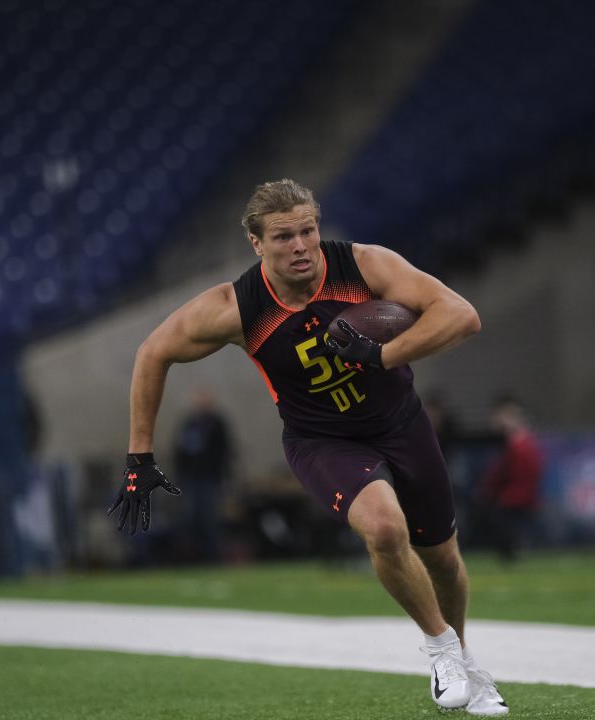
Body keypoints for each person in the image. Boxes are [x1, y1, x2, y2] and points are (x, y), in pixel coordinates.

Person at [106, 179, 507, 715]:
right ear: (256, 243)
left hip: (400, 422)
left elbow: (461, 315)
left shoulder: (364, 266)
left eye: (307, 231)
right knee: (384, 527)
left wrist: (383, 355)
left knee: (444, 559)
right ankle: (439, 648)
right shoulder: (238, 306)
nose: (299, 246)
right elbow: (152, 353)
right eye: (283, 237)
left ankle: (461, 658)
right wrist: (139, 457)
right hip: (323, 440)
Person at [476, 396, 543, 564]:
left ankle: (512, 549)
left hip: (516, 494)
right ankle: (509, 549)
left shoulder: (520, 443)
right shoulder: (511, 442)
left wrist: (490, 490)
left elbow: (515, 471)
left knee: (497, 515)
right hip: (511, 493)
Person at [173, 385, 232, 563]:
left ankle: (213, 555)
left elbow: (224, 450)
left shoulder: (217, 423)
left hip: (210, 477)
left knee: (210, 516)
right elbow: (180, 450)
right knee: (189, 516)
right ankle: (190, 556)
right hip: (190, 478)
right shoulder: (189, 423)